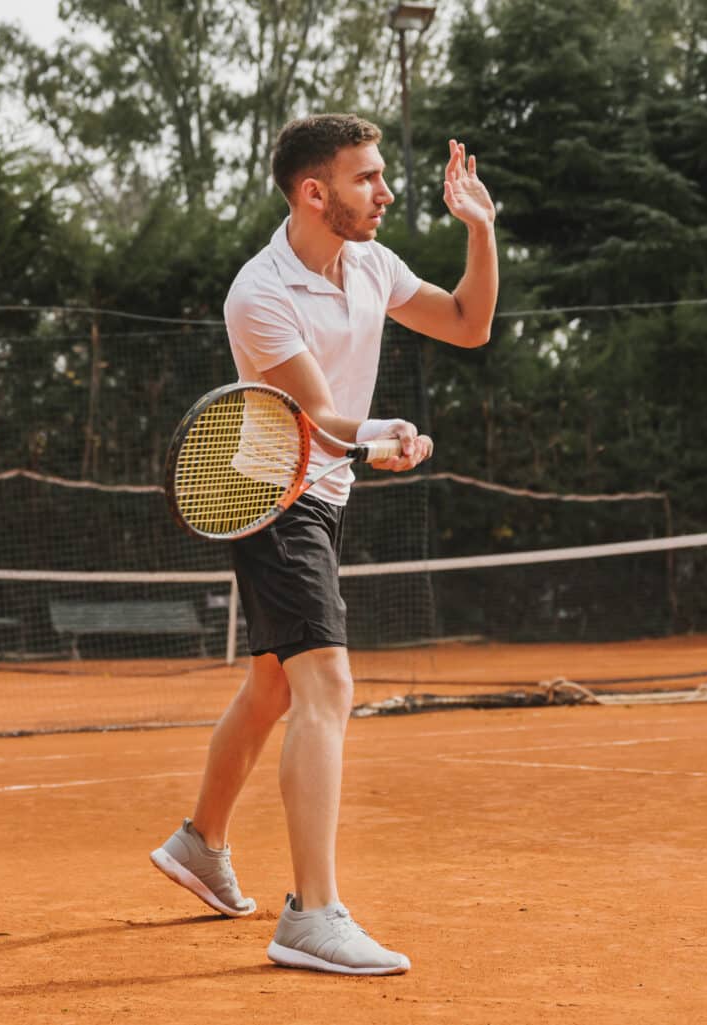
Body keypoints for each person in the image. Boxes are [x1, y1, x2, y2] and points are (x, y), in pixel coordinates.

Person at [150, 114, 497, 975]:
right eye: (367, 179)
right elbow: (314, 419)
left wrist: (482, 232)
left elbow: (466, 322)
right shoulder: (258, 292)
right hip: (275, 497)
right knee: (327, 686)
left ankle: (201, 843)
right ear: (315, 193)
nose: (386, 192)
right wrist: (380, 430)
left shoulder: (372, 265)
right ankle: (312, 911)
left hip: (325, 494)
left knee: (271, 689)